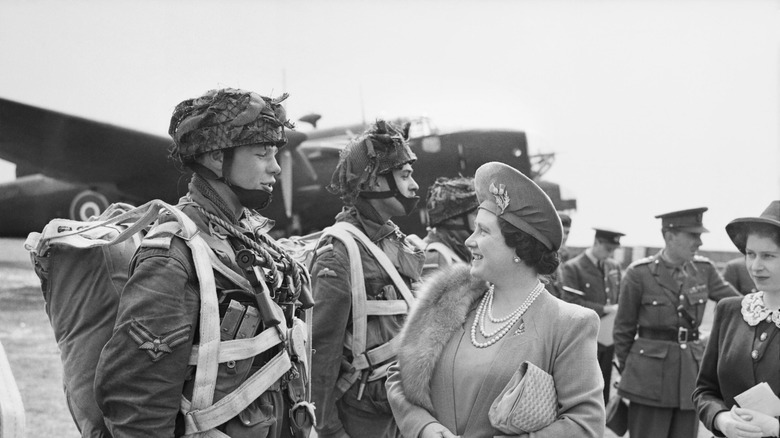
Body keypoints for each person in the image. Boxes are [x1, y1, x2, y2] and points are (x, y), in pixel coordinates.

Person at [94, 88, 312, 437]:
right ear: (214, 158)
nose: (275, 167)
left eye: (275, 153)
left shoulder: (246, 239)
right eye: (262, 153)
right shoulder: (174, 256)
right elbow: (137, 406)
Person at [386, 161, 605, 438]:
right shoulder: (452, 296)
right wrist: (424, 427)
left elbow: (585, 425)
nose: (469, 240)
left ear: (519, 246)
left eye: (484, 231)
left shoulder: (569, 324)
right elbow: (399, 374)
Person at [310, 120, 425, 438]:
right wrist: (330, 431)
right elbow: (320, 354)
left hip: (399, 410)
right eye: (405, 175)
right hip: (361, 419)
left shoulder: (394, 242)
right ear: (373, 181)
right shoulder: (340, 253)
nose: (414, 186)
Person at [614, 207, 740, 438]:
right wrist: (632, 371)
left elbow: (739, 306)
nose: (699, 242)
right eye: (693, 235)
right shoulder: (638, 274)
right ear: (670, 236)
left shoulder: (704, 270)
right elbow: (623, 330)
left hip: (689, 375)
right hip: (648, 377)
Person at [693, 201, 780, 438]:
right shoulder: (731, 310)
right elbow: (705, 390)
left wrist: (776, 427)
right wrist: (721, 419)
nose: (755, 266)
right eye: (750, 254)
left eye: (768, 256)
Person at [561, 228, 625, 403]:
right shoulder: (574, 267)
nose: (610, 253)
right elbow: (571, 302)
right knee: (585, 387)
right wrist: (604, 309)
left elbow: (618, 294)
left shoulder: (614, 266)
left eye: (613, 250)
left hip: (608, 337)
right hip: (586, 336)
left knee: (603, 384)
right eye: (607, 249)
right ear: (596, 243)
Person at [420, 176, 479, 276]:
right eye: (475, 214)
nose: (480, 219)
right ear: (454, 220)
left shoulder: (458, 251)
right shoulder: (435, 258)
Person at [545, 213, 572, 298]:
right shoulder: (542, 255)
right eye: (561, 232)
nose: (565, 237)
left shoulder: (564, 255)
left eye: (567, 232)